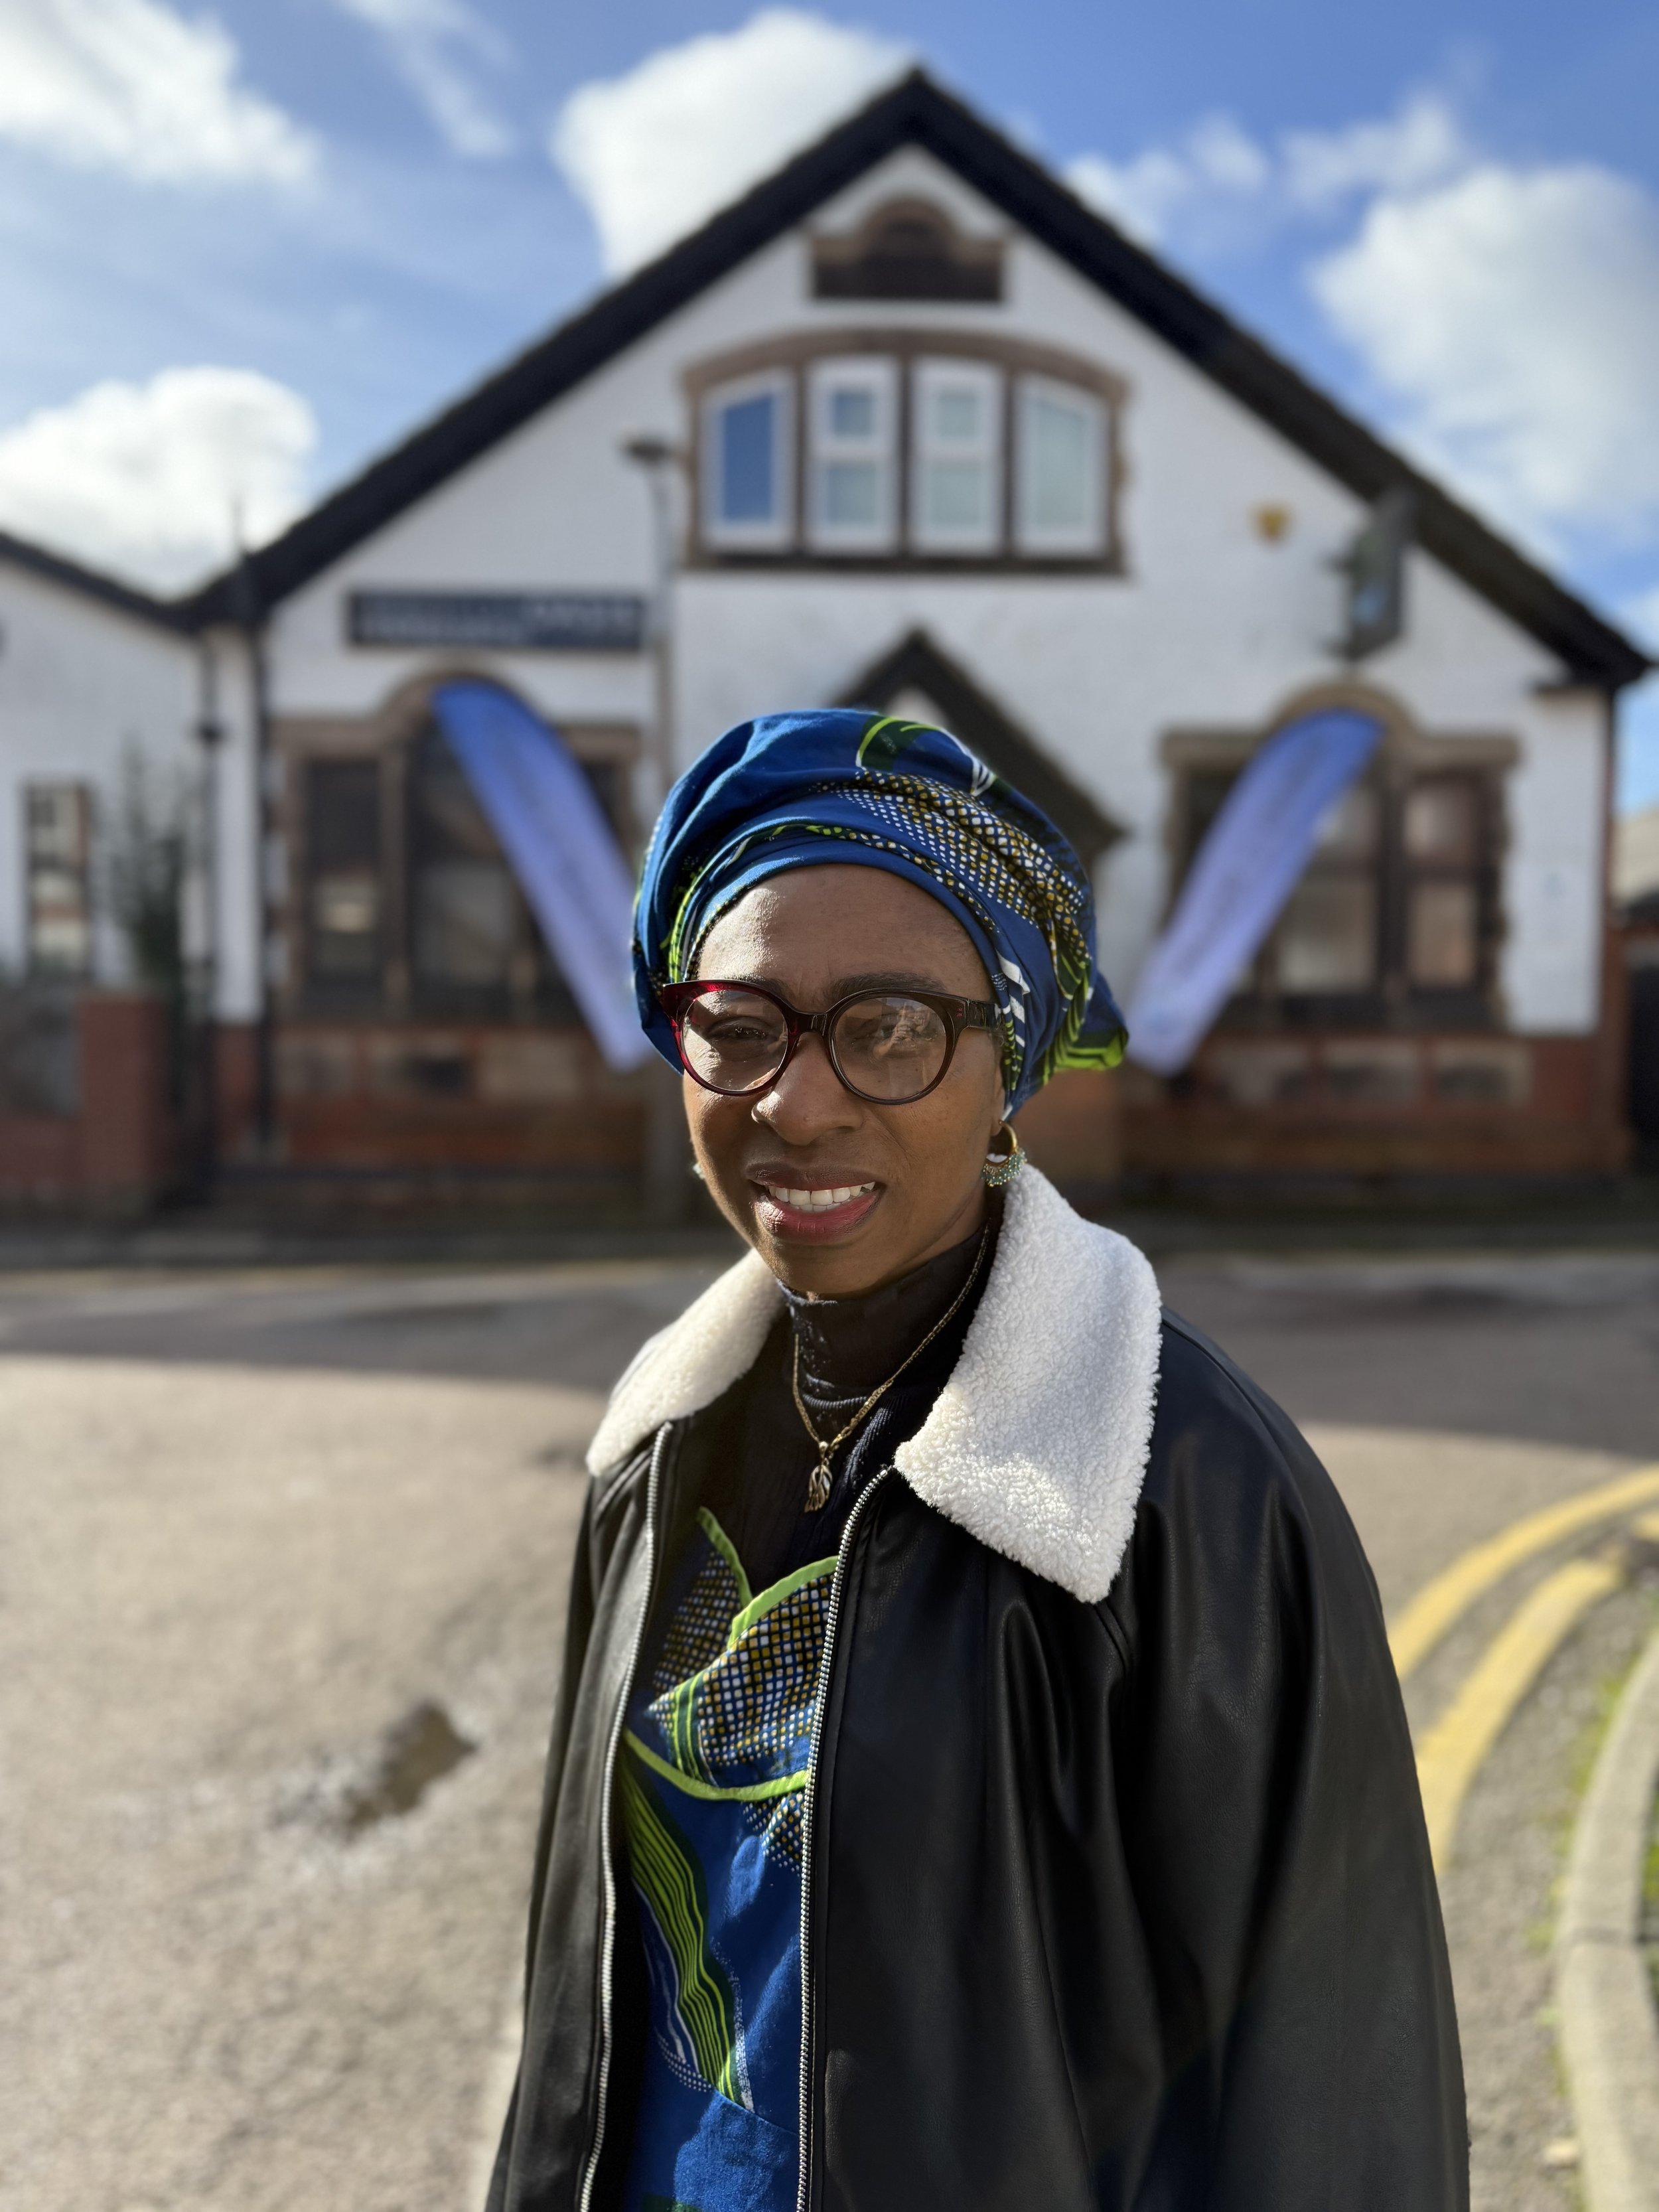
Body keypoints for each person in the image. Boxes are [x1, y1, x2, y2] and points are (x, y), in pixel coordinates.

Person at [488, 708, 1466, 2212]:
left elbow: (1330, 2095)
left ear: (1004, 1063)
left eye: (889, 1026)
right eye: (738, 1027)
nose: (793, 1102)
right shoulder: (655, 1452)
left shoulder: (1184, 1489)